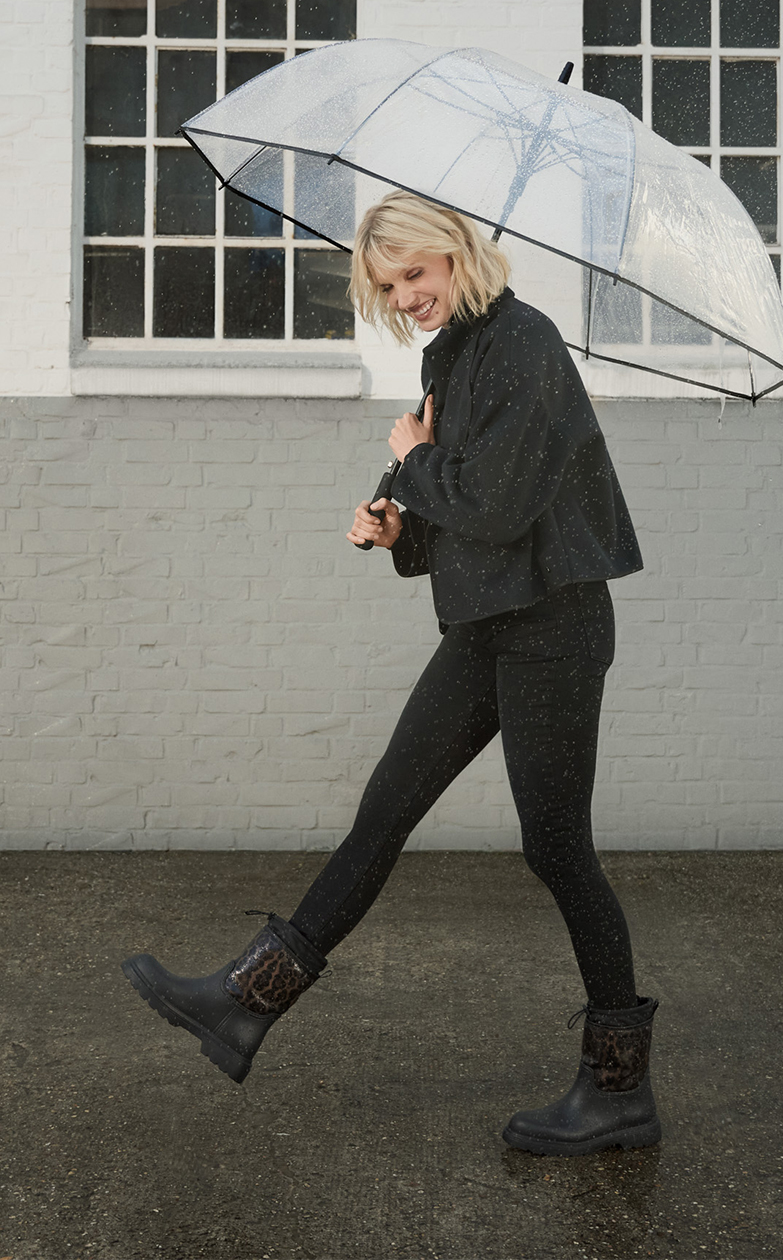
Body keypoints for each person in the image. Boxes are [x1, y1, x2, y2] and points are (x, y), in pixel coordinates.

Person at [122, 190, 660, 1157]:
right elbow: (467, 519)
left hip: (553, 629)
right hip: (489, 624)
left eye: (417, 271)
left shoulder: (528, 346)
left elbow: (493, 507)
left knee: (556, 850)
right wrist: (405, 523)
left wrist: (411, 463)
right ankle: (242, 1005)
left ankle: (619, 1088)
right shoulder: (454, 356)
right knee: (383, 815)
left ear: (457, 253)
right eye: (388, 283)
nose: (406, 294)